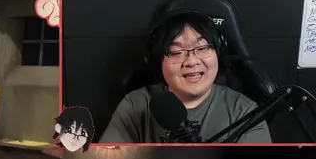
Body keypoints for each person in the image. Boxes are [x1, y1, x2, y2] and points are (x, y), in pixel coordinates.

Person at [98, 11, 271, 144]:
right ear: (159, 60)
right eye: (176, 52)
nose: (192, 61)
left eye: (202, 48)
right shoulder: (135, 105)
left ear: (217, 53)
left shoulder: (244, 111)